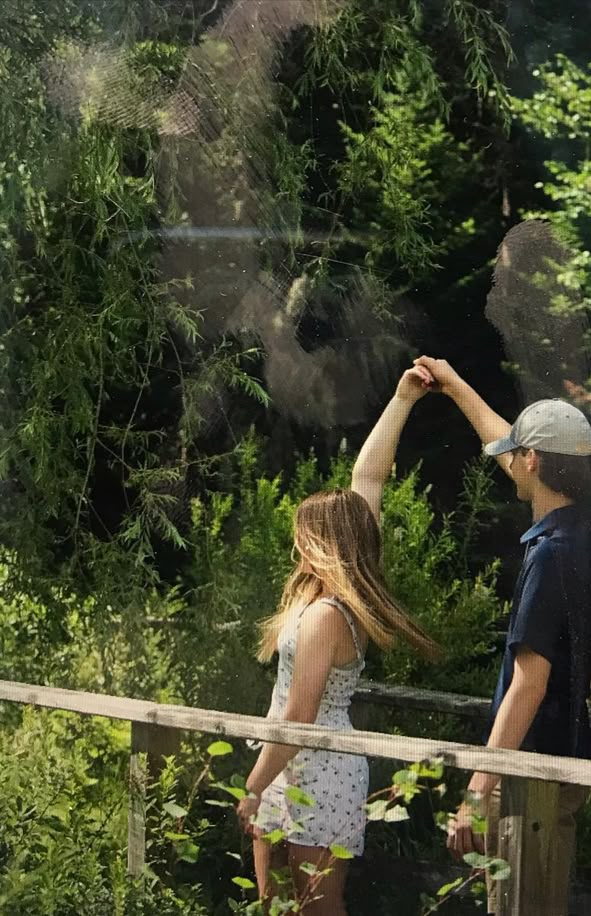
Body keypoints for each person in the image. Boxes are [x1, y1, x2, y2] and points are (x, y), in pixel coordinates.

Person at [236, 365, 440, 916]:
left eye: (303, 537)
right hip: (289, 762)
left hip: (317, 766)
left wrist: (252, 785)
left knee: (317, 910)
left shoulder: (331, 613)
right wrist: (401, 401)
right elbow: (368, 478)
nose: (295, 546)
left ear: (324, 543)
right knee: (272, 904)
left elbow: (301, 713)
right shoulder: (328, 597)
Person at [414, 355, 591, 916]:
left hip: (527, 777)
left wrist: (476, 793)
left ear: (532, 461)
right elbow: (515, 448)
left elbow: (528, 683)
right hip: (566, 761)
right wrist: (457, 387)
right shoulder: (588, 530)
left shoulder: (551, 557)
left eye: (519, 455)